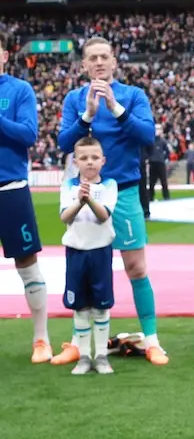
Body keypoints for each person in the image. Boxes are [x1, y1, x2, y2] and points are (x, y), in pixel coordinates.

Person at [57, 37, 167, 366]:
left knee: (135, 267)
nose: (100, 62)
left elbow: (147, 136)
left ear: (115, 62)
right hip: (84, 192)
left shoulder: (133, 96)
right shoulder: (75, 99)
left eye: (105, 56)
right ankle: (80, 343)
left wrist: (115, 109)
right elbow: (64, 142)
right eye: (93, 58)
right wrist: (88, 116)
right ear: (84, 65)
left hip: (125, 190)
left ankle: (151, 340)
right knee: (84, 266)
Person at [0, 33, 51, 363]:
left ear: (4, 55)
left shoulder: (19, 90)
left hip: (10, 189)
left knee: (27, 264)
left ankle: (41, 339)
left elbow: (29, 134)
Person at [57, 136, 117, 376]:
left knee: (101, 307)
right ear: (76, 162)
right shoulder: (69, 185)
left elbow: (104, 215)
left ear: (102, 161)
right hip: (76, 254)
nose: (89, 162)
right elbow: (64, 216)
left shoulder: (109, 185)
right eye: (83, 158)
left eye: (94, 157)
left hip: (100, 252)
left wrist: (88, 199)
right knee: (80, 306)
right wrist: (79, 201)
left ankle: (101, 355)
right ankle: (83, 356)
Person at [148, 128, 171, 202]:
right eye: (156, 129)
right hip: (153, 163)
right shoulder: (151, 140)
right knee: (152, 182)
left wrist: (163, 158)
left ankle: (166, 197)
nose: (158, 131)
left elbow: (167, 151)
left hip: (161, 163)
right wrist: (149, 158)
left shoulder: (163, 141)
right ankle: (150, 197)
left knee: (163, 181)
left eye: (159, 129)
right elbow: (147, 150)